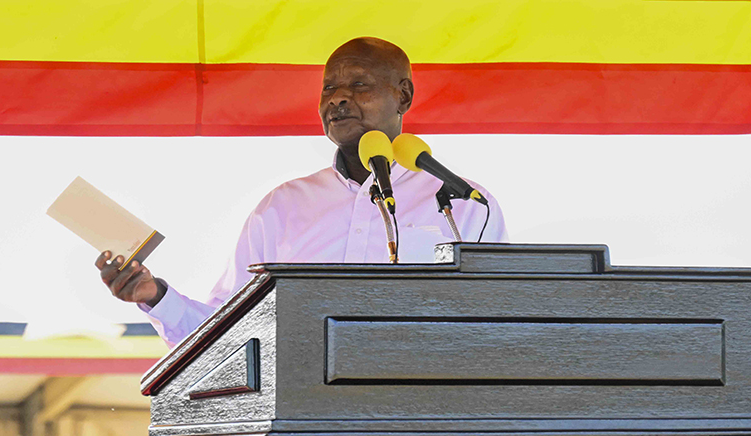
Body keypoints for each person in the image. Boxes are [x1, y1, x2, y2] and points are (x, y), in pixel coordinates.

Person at [95, 37, 508, 347]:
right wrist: (155, 296)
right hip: (302, 431)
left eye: (358, 84)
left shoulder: (462, 202)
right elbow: (227, 327)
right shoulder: (284, 207)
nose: (338, 99)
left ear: (403, 95)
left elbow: (499, 324)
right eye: (329, 88)